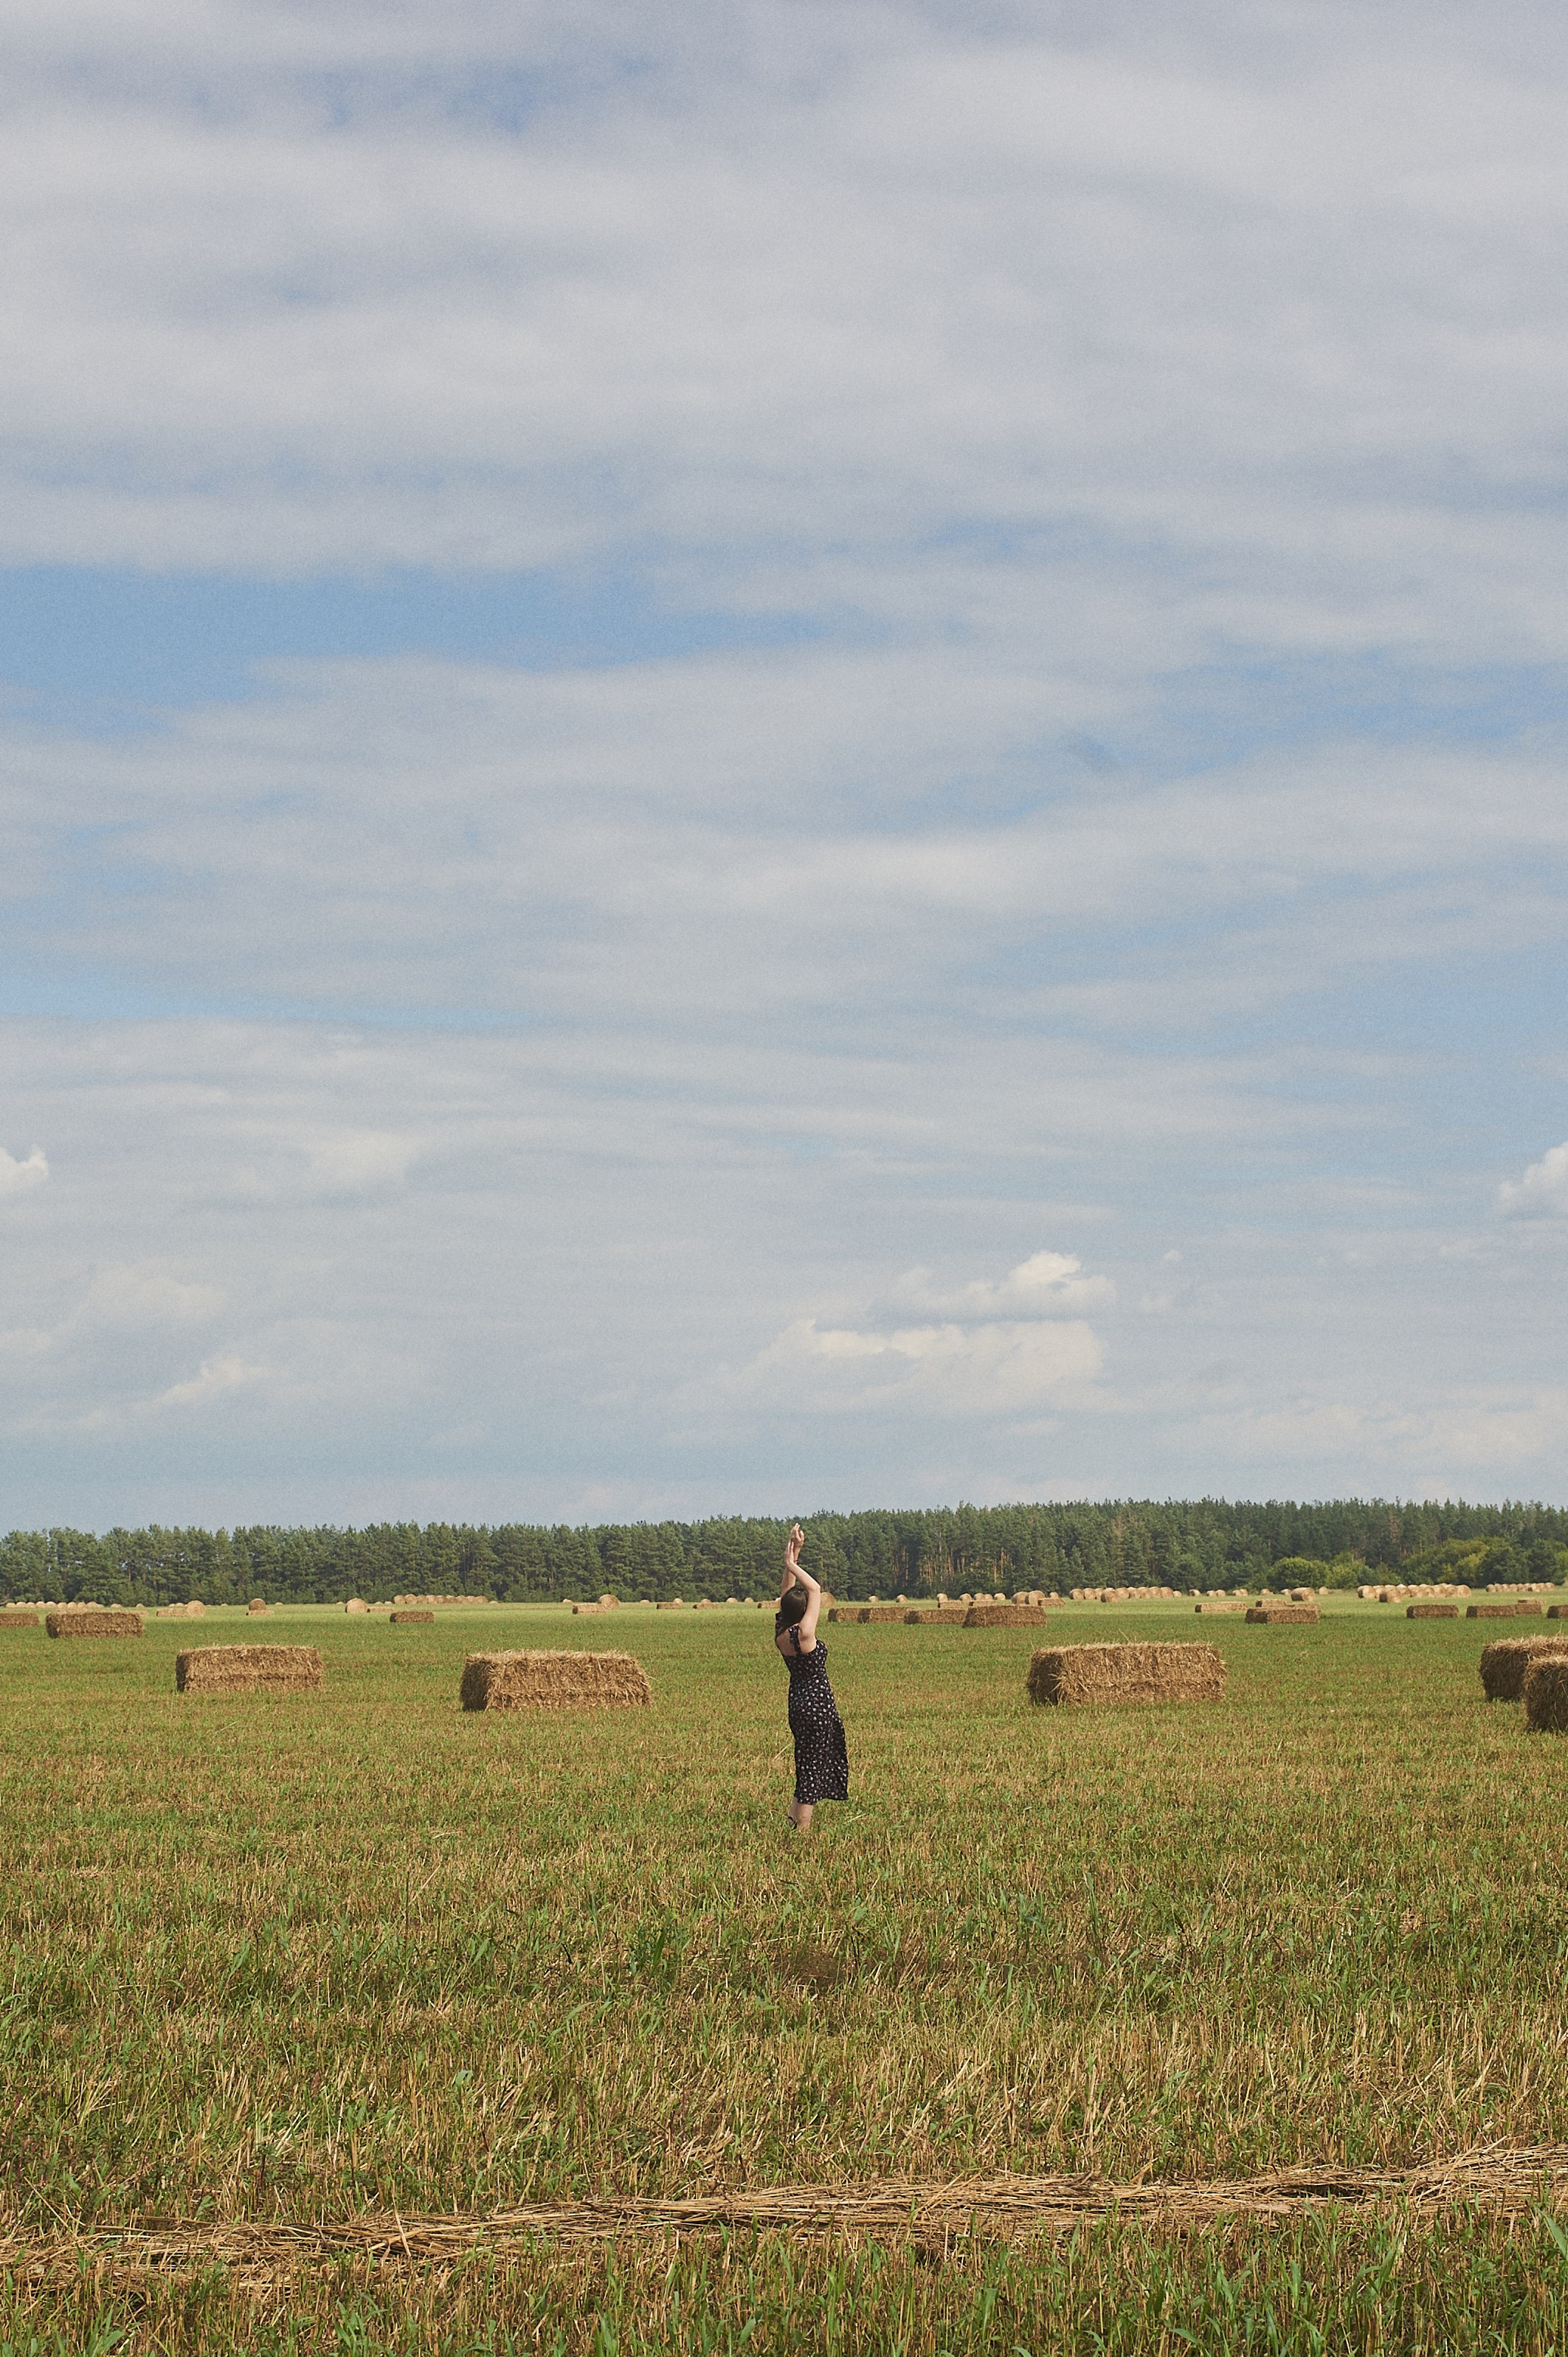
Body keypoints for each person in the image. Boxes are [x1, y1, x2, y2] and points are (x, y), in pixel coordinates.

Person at [775, 1520, 849, 1830]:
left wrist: (793, 1557)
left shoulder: (783, 1632)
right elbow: (815, 1589)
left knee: (805, 1763)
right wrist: (792, 1562)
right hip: (817, 1707)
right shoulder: (805, 1634)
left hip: (798, 1704)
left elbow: (786, 1596)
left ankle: (793, 1823)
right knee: (813, 1769)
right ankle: (802, 1833)